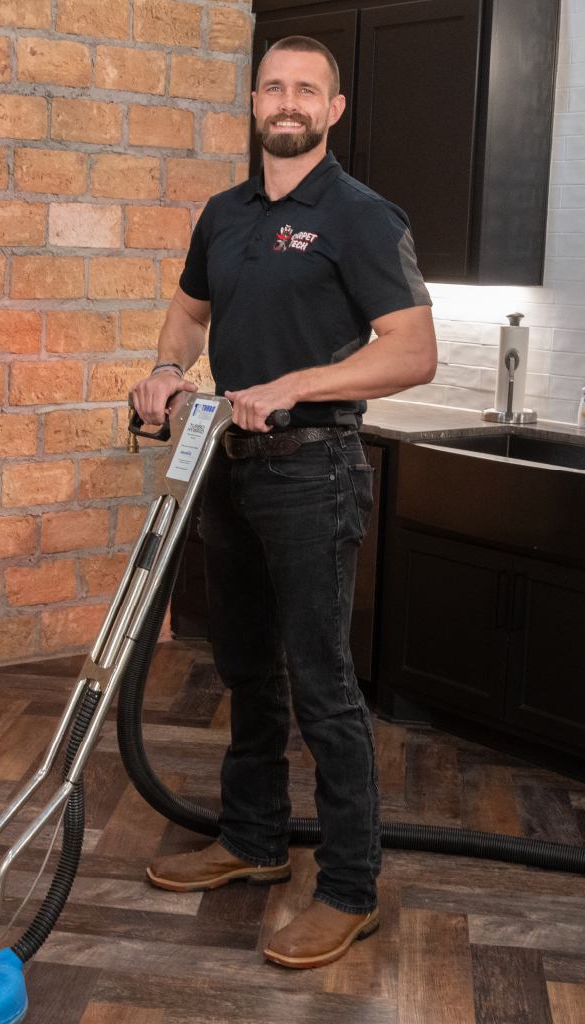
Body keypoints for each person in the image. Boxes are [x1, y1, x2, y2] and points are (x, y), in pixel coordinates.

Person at [129, 35, 438, 969]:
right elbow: (189, 311)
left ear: (333, 110)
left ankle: (348, 889)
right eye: (274, 86)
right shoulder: (223, 214)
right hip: (228, 461)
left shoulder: (360, 216)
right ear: (254, 101)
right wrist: (163, 367)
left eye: (307, 89)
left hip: (314, 469)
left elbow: (412, 350)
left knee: (321, 682)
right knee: (244, 666)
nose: (289, 100)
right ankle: (253, 840)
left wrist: (296, 385)